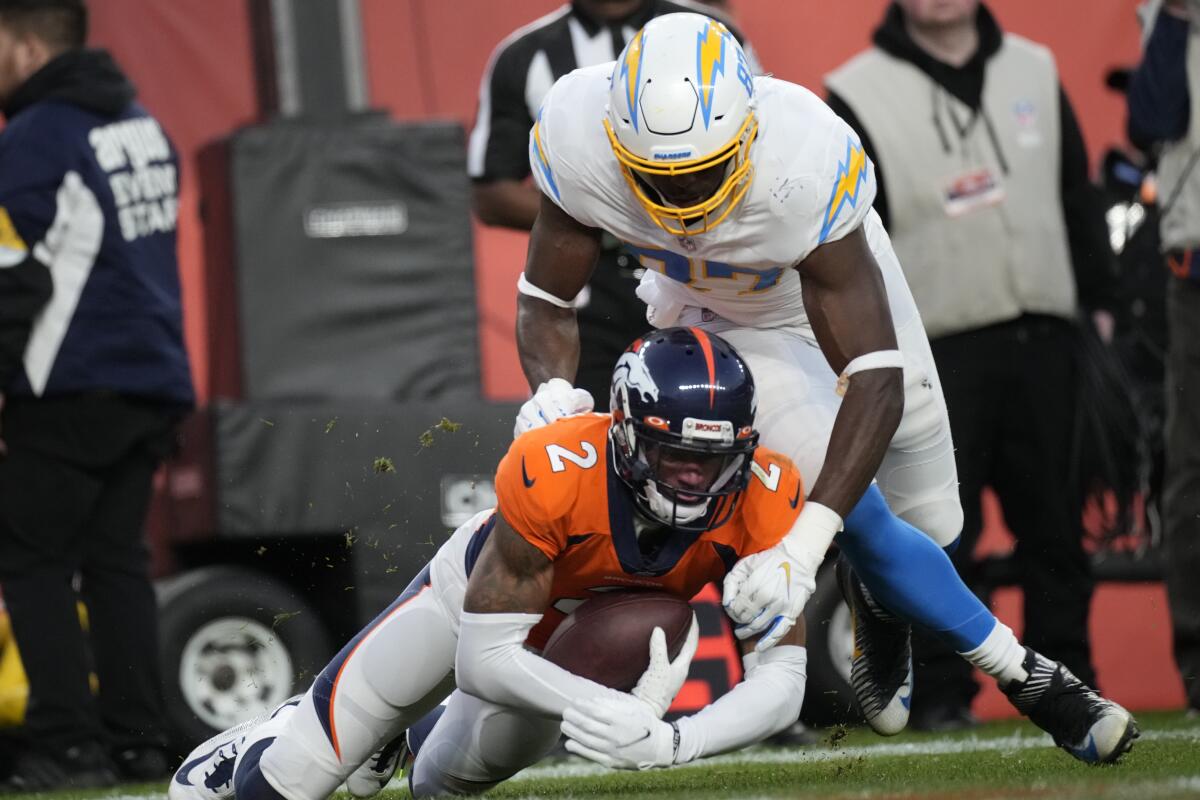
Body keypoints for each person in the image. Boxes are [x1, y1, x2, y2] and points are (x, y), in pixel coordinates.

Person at [512, 10, 1137, 763]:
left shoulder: (806, 156)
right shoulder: (578, 136)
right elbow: (546, 300)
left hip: (825, 300)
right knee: (870, 523)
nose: (681, 202)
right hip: (718, 318)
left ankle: (876, 591)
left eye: (703, 171)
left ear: (746, 133)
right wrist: (548, 387)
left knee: (933, 522)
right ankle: (1040, 683)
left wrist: (805, 550)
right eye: (656, 178)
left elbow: (874, 381)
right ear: (616, 144)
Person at [170, 328, 810, 800]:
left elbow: (784, 681)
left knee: (436, 790)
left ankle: (408, 729)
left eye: (714, 458)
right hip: (469, 612)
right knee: (278, 790)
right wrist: (603, 707)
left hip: (554, 667)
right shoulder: (556, 470)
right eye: (672, 454)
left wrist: (672, 742)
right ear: (624, 432)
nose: (694, 478)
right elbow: (484, 660)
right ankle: (278, 733)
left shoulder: (766, 496)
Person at [822, 0, 1118, 731]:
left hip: (1045, 336)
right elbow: (845, 240)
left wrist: (1103, 305)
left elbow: (1079, 196)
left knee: (1055, 526)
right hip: (931, 346)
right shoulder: (853, 92)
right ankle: (942, 695)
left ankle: (1068, 677)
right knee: (937, 528)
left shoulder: (1035, 68)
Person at [0, 0, 193, 790]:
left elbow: (15, 278)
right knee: (117, 565)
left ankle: (64, 744)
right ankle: (137, 744)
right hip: (153, 376)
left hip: (69, 381)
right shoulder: (143, 124)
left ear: (24, 44)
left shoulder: (39, 136)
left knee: (32, 559)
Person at [470, 0, 759, 410]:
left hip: (707, 274)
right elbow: (491, 192)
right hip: (593, 285)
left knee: (717, 424)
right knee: (592, 431)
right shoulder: (524, 55)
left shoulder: (714, 33)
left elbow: (758, 145)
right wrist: (611, 217)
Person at [1127, 0, 1200, 717]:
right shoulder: (1167, 17)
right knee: (1192, 476)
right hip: (1195, 274)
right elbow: (1150, 119)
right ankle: (1199, 663)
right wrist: (1175, 19)